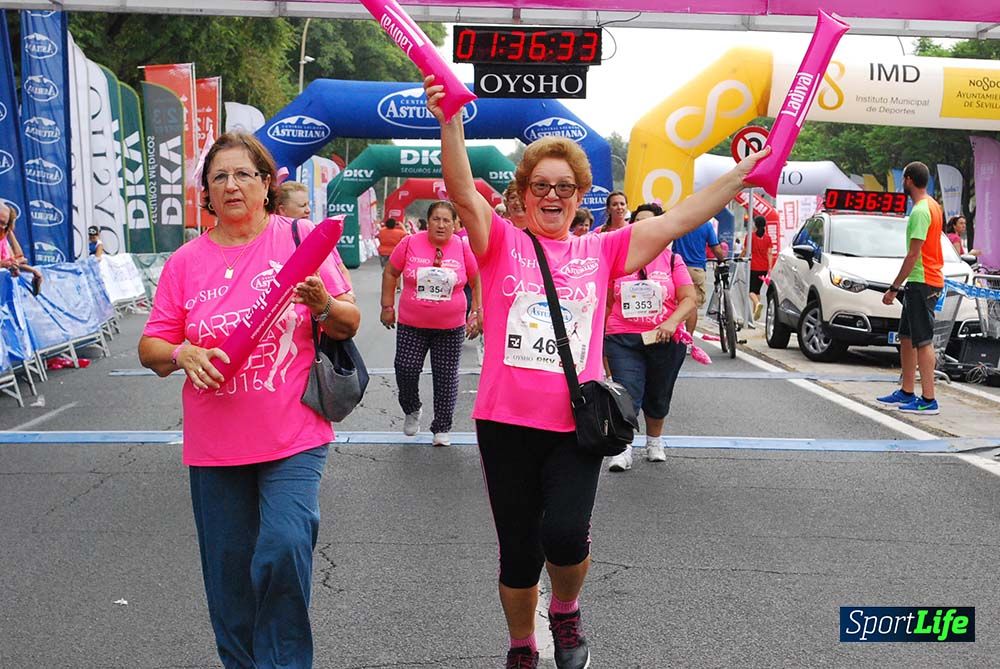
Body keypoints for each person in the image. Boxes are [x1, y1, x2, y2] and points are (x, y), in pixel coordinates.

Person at [424, 74, 767, 669]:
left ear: (580, 195)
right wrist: (449, 118)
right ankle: (522, 645)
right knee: (516, 555)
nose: (552, 196)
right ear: (522, 195)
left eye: (565, 187)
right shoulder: (499, 242)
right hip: (503, 424)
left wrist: (739, 175)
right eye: (540, 186)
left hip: (573, 423)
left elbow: (680, 219)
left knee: (562, 537)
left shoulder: (602, 250)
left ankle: (566, 609)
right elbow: (459, 188)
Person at [137, 131, 360, 669]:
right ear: (206, 194)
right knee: (229, 577)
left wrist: (324, 302)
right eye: (219, 177)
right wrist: (181, 352)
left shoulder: (299, 239)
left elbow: (350, 319)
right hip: (216, 443)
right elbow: (151, 346)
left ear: (267, 184)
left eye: (244, 174)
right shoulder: (186, 262)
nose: (231, 185)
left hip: (294, 432)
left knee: (284, 545)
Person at [604, 203, 697, 472]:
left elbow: (689, 299)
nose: (644, 229)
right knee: (627, 392)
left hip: (664, 338)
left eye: (651, 223)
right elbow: (608, 303)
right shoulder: (618, 260)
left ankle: (654, 441)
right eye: (638, 222)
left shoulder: (672, 260)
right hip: (623, 337)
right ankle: (623, 448)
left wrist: (671, 323)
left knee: (658, 394)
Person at [380, 200, 481, 447]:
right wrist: (387, 307)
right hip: (412, 323)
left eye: (447, 220)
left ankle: (442, 427)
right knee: (405, 368)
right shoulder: (410, 243)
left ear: (456, 224)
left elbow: (478, 280)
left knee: (446, 377)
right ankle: (412, 408)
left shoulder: (462, 247)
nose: (441, 224)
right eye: (436, 219)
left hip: (450, 326)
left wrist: (477, 312)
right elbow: (391, 273)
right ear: (428, 221)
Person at [876, 161, 944, 415]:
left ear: (908, 180)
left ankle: (928, 399)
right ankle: (906, 391)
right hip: (923, 279)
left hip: (922, 280)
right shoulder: (933, 205)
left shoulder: (920, 211)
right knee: (906, 337)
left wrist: (894, 287)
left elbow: (913, 254)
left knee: (923, 340)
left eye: (903, 179)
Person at [276, 181, 353, 287]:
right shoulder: (272, 239)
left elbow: (342, 270)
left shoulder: (321, 235)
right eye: (302, 206)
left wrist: (349, 296)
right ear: (282, 210)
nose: (308, 210)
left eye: (308, 204)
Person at [673, 217, 726, 335]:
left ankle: (675, 337)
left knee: (676, 304)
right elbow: (716, 248)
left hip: (677, 268)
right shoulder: (706, 225)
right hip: (696, 269)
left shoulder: (680, 222)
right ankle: (688, 339)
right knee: (691, 305)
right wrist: (722, 261)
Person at [0, 203, 43, 295]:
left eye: (4, 224)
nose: (1, 228)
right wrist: (4, 264)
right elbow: (7, 263)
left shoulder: (2, 239)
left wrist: (34, 271)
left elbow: (19, 258)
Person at [740, 215, 774, 321]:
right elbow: (770, 254)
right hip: (763, 268)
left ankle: (757, 303)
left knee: (750, 291)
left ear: (755, 224)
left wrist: (739, 258)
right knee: (757, 291)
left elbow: (745, 250)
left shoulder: (750, 237)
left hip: (753, 267)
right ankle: (756, 315)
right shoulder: (768, 238)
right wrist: (769, 267)